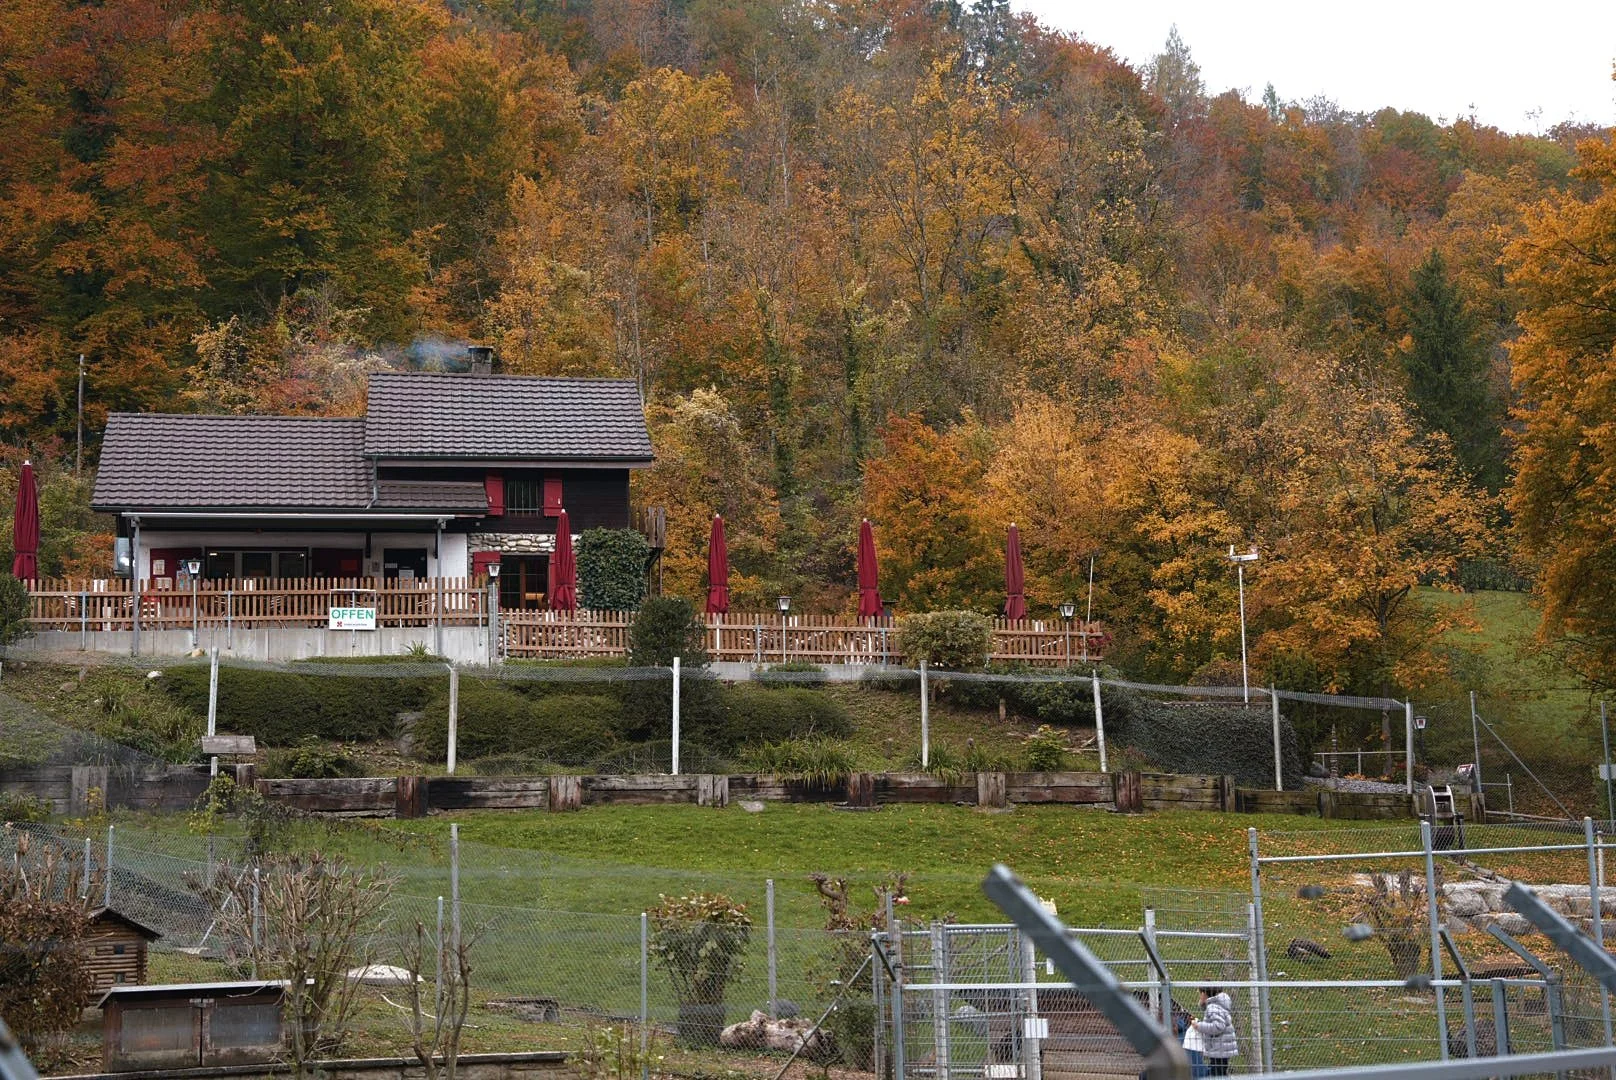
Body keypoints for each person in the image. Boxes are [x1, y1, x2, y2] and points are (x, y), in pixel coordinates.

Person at [1191, 986, 1237, 1076]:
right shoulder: (1217, 1005)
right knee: (1219, 1073)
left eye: (1200, 994)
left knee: (1216, 1074)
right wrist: (1203, 1004)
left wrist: (1198, 1026)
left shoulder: (1213, 1007)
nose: (1199, 996)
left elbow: (1219, 1026)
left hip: (1219, 1049)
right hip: (1221, 1048)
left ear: (1204, 994)